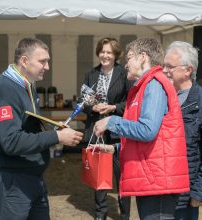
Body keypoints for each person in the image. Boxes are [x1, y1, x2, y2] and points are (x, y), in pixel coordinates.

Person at [0, 37, 83, 220]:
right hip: (12, 180)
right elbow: (11, 141)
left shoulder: (25, 85)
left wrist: (54, 130)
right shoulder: (4, 90)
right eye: (42, 61)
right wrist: (56, 137)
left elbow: (28, 124)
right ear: (24, 61)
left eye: (48, 61)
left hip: (31, 175)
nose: (47, 67)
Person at [93, 38, 190, 220]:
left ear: (143, 57)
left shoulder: (154, 85)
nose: (126, 63)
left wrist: (112, 121)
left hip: (157, 182)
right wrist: (115, 148)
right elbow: (156, 139)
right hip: (152, 178)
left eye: (130, 58)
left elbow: (147, 130)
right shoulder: (146, 85)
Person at [82, 37, 132, 220]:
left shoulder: (124, 73)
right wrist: (92, 107)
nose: (105, 55)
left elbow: (130, 102)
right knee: (99, 177)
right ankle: (100, 214)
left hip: (117, 131)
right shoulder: (91, 74)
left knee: (121, 177)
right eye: (102, 51)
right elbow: (84, 101)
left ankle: (124, 215)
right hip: (96, 131)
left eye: (109, 52)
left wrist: (112, 108)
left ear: (115, 54)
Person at [163, 41, 202, 220]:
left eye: (170, 66)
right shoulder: (161, 96)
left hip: (186, 195)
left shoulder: (199, 101)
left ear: (188, 70)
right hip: (161, 189)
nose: (164, 70)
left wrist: (198, 192)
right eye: (164, 65)